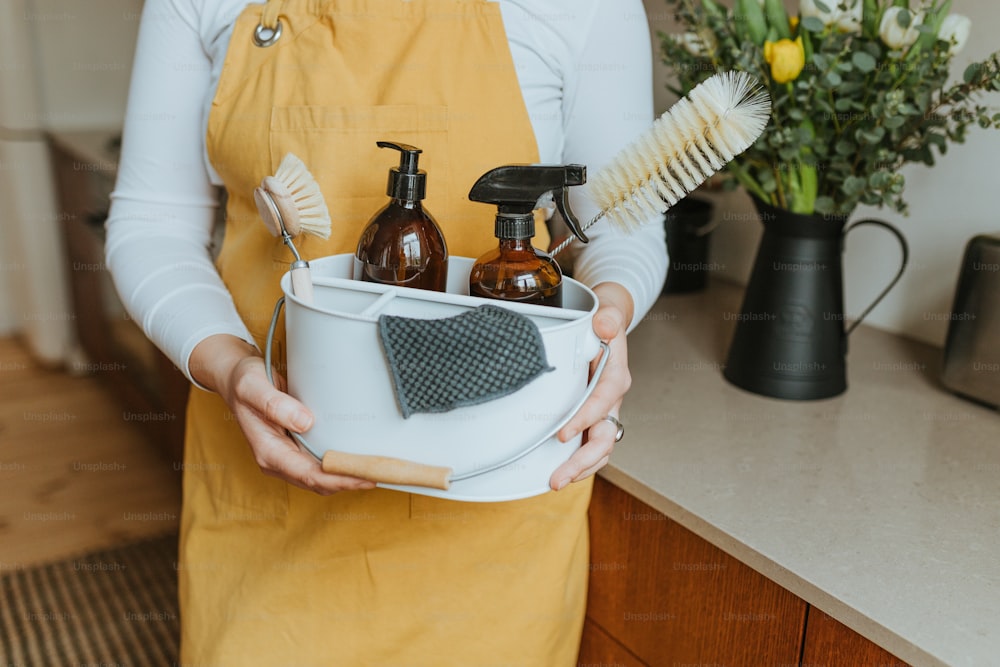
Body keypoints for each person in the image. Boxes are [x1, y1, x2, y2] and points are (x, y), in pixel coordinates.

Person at [105, 0, 668, 663]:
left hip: (495, 507)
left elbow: (622, 221)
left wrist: (608, 319)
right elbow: (154, 225)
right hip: (266, 478)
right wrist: (228, 364)